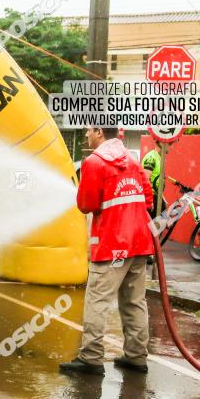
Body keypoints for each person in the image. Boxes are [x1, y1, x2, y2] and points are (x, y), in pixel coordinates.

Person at [59, 127, 154, 376]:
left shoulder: (94, 162)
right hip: (140, 242)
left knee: (97, 301)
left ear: (99, 132)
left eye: (89, 131)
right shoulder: (133, 161)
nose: (86, 136)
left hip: (112, 244)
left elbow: (86, 204)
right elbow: (148, 199)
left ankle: (91, 358)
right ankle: (136, 356)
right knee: (134, 302)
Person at [141, 147, 163, 216]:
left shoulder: (158, 156)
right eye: (171, 144)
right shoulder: (151, 158)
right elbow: (146, 179)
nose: (172, 147)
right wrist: (149, 201)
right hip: (151, 199)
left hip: (156, 197)